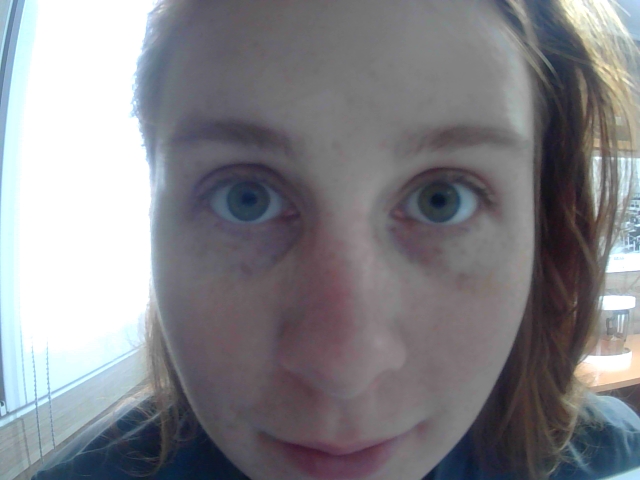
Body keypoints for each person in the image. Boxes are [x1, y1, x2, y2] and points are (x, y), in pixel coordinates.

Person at [32, 0, 640, 479]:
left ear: (545, 231)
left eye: (442, 198)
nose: (344, 367)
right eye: (245, 197)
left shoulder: (618, 462)